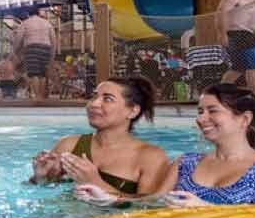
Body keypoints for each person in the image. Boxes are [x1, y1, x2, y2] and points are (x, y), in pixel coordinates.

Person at [75, 83, 255, 207]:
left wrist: (207, 210)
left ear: (244, 119)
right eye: (200, 111)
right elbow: (152, 204)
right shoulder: (185, 163)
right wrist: (109, 199)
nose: (201, 118)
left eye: (213, 111)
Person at [29, 77, 169, 198]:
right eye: (94, 96)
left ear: (133, 111)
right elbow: (42, 193)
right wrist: (41, 178)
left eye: (107, 99)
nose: (94, 104)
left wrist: (96, 183)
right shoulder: (68, 145)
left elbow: (150, 207)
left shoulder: (150, 157)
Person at [14, 8, 57, 99]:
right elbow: (53, 39)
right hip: (46, 47)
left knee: (34, 73)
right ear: (38, 13)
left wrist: (15, 51)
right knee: (43, 73)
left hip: (31, 48)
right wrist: (52, 55)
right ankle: (42, 96)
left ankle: (37, 96)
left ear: (28, 14)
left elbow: (18, 38)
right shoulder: (47, 23)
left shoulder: (25, 23)